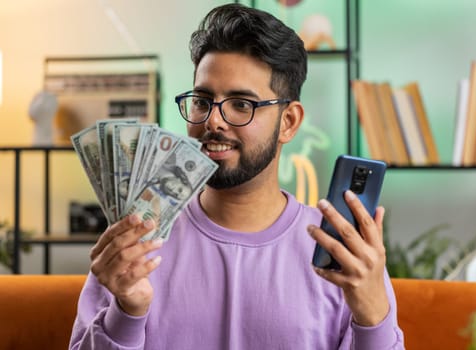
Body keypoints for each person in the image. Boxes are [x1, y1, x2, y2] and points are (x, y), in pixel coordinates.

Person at [69, 4, 405, 349]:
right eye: (202, 100)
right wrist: (127, 312)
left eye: (241, 104)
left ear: (288, 122)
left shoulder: (341, 253)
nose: (213, 121)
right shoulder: (134, 242)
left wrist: (373, 316)